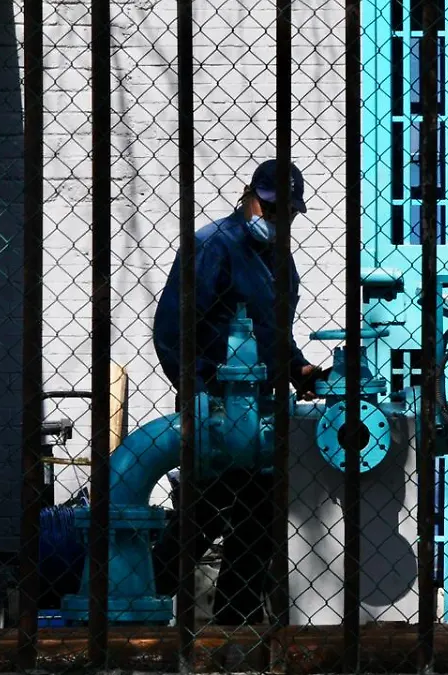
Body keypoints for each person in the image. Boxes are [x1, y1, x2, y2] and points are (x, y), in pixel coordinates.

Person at [150, 159, 327, 625]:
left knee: (260, 515)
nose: (274, 219)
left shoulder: (278, 260)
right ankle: (145, 593)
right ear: (249, 196)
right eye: (268, 208)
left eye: (285, 212)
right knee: (203, 511)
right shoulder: (214, 246)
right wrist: (199, 395)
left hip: (263, 409)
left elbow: (274, 331)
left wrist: (297, 368)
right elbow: (172, 330)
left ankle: (236, 621)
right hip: (217, 405)